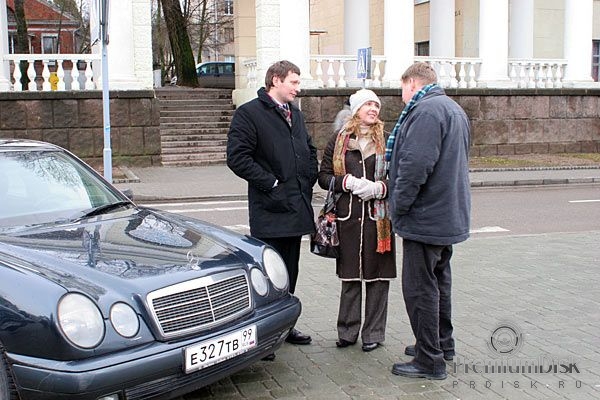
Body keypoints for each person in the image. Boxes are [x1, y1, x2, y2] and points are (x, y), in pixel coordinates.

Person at [387, 62, 471, 380]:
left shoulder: (425, 111)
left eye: (401, 88)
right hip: (446, 214)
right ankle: (441, 344)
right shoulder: (452, 108)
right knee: (439, 282)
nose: (401, 95)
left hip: (425, 216)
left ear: (411, 83)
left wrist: (399, 206)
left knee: (420, 288)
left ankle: (429, 359)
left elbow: (415, 165)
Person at [226, 60, 318, 349]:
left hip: (297, 207)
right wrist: (271, 183)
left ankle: (285, 326)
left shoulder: (295, 114)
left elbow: (308, 147)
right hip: (270, 209)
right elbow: (237, 158)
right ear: (275, 81)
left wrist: (309, 174)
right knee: (266, 276)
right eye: (294, 82)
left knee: (290, 271)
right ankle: (264, 336)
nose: (297, 88)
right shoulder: (249, 114)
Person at [318, 89, 396, 352]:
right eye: (368, 104)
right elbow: (324, 177)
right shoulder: (339, 140)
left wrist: (379, 188)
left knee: (377, 278)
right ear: (356, 110)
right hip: (348, 219)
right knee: (350, 277)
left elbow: (398, 178)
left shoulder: (387, 140)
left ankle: (373, 333)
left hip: (378, 220)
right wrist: (346, 182)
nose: (373, 109)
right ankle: (348, 331)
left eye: (376, 105)